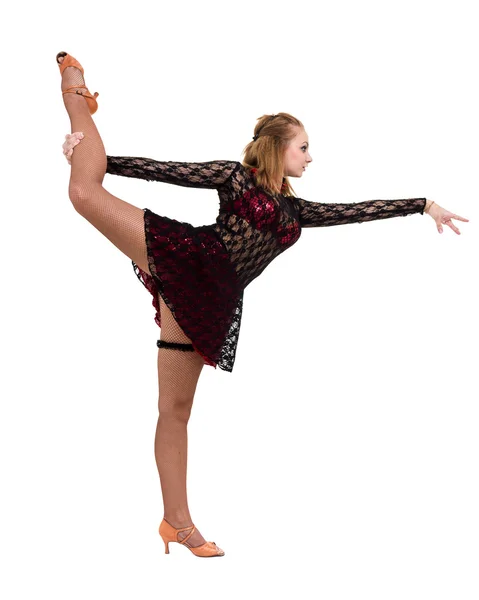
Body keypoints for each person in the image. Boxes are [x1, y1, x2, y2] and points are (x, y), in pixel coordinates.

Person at [56, 51, 469, 558]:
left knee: (175, 409)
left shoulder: (297, 209)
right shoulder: (236, 178)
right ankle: (77, 96)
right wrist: (90, 154)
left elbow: (357, 211)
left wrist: (423, 204)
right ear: (277, 147)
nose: (311, 157)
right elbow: (161, 171)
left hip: (211, 302)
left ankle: (176, 523)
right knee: (83, 189)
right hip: (188, 258)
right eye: (304, 147)